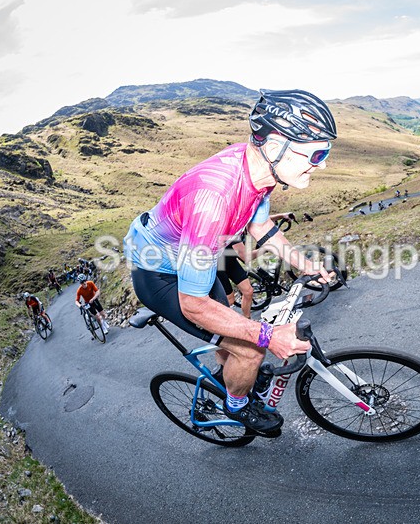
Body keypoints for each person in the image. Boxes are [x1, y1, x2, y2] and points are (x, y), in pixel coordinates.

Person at [123, 88, 336, 436]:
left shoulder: (260, 171)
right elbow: (193, 305)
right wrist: (268, 336)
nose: (323, 163)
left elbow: (261, 224)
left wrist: (301, 262)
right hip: (159, 275)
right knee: (253, 349)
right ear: (274, 146)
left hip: (197, 254)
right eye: (316, 152)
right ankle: (236, 405)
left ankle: (231, 377)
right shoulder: (214, 198)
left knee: (234, 334)